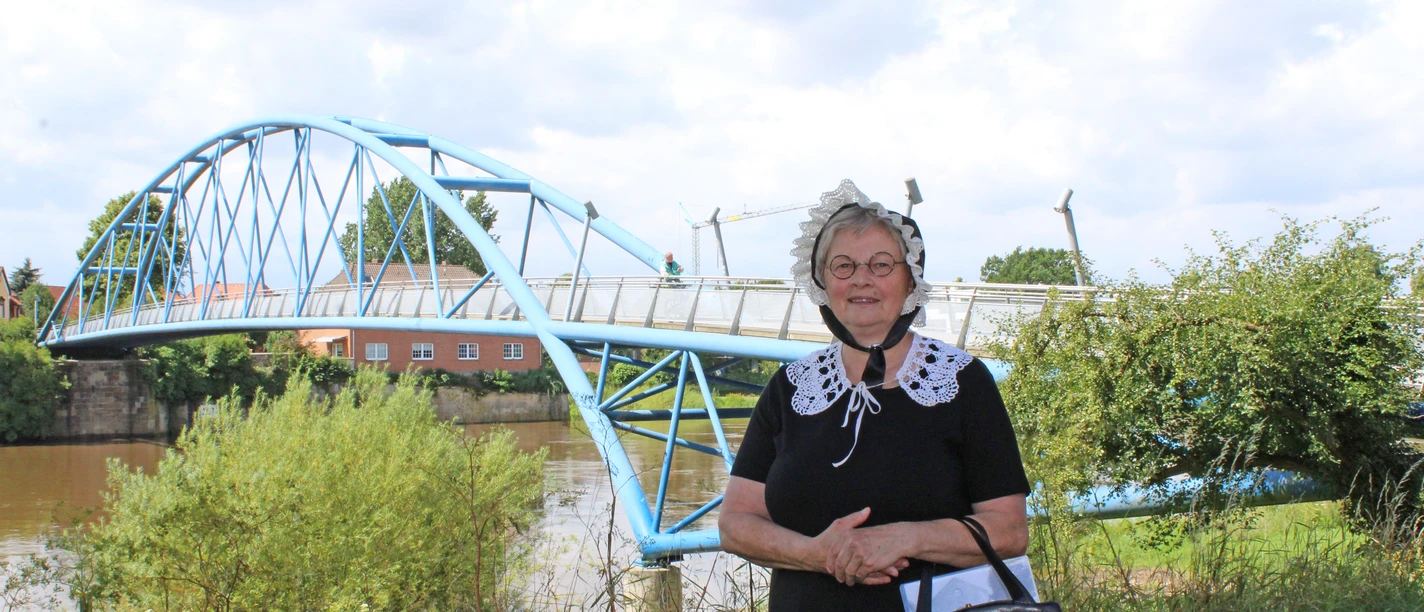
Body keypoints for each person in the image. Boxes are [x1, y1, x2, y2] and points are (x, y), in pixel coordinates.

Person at [718, 180, 1031, 611]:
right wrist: (820, 555)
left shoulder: (963, 382)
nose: (861, 278)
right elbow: (735, 524)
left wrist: (906, 537)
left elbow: (1010, 532)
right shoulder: (789, 387)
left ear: (910, 280)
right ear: (823, 283)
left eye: (881, 264)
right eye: (843, 265)